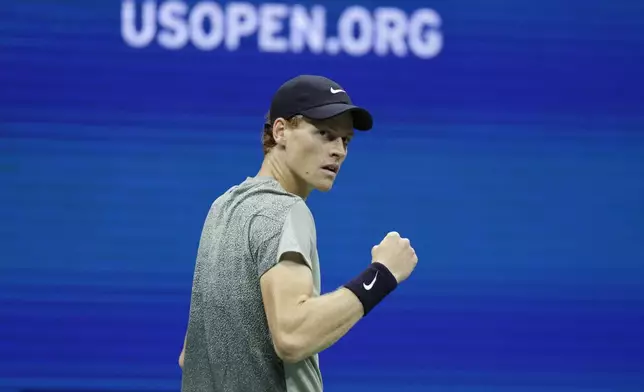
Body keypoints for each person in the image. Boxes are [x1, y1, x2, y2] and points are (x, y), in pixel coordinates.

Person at [179, 74, 418, 392]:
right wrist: (382, 275)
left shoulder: (222, 208)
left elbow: (190, 355)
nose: (339, 151)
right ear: (280, 131)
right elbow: (292, 336)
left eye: (344, 141)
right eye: (324, 133)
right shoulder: (287, 212)